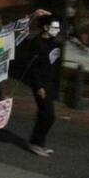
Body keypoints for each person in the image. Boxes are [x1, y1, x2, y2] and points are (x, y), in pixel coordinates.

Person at [27, 17, 62, 157]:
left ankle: (38, 143)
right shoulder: (36, 43)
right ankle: (35, 143)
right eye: (54, 27)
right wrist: (39, 86)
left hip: (50, 83)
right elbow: (33, 68)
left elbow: (55, 65)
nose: (57, 30)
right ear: (46, 27)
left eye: (58, 27)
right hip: (40, 84)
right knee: (49, 115)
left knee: (45, 114)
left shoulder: (55, 42)